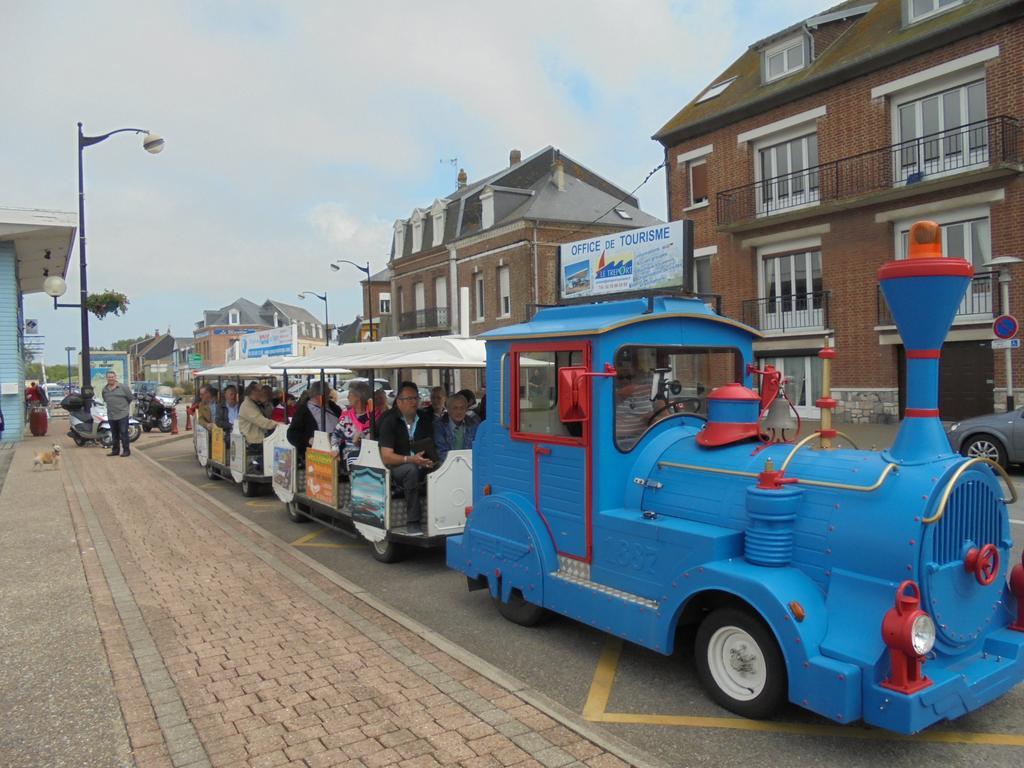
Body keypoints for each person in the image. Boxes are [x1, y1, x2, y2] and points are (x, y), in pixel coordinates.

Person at [377, 381, 435, 532]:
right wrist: (411, 459)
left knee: (442, 468)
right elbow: (386, 457)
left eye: (416, 398)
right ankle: (413, 521)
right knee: (411, 470)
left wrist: (429, 461)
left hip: (420, 463)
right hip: (395, 468)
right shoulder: (389, 421)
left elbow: (430, 445)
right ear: (399, 402)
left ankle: (441, 516)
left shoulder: (424, 419)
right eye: (409, 399)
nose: (414, 402)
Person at [287, 381, 341, 459]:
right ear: (318, 395)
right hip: (318, 450)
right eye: (326, 394)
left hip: (337, 443)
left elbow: (341, 417)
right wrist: (308, 440)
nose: (328, 397)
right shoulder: (303, 411)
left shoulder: (332, 406)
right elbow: (292, 435)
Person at [331, 380, 372, 469]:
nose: (348, 397)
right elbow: (335, 435)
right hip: (351, 454)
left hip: (371, 453)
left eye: (350, 395)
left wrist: (362, 439)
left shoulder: (372, 416)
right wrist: (335, 449)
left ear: (358, 397)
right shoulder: (346, 417)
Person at [434, 392, 479, 463]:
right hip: (446, 465)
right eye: (455, 408)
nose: (459, 412)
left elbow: (477, 450)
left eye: (462, 408)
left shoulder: (473, 424)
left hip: (469, 464)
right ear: (448, 410)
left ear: (466, 409)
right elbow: (441, 452)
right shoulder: (439, 425)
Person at [102, 370, 135, 457]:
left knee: (124, 432)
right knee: (114, 434)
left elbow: (130, 398)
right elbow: (105, 399)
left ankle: (126, 451)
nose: (110, 379)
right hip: (111, 415)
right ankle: (115, 450)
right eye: (109, 377)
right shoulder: (105, 389)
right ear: (106, 378)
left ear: (115, 377)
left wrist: (123, 407)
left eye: (112, 377)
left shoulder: (123, 387)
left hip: (122, 414)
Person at [237, 382, 279, 447]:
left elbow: (269, 415)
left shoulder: (256, 403)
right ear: (253, 392)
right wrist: (279, 424)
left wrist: (265, 403)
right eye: (260, 391)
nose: (262, 393)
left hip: (259, 439)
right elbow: (262, 422)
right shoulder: (247, 405)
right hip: (253, 442)